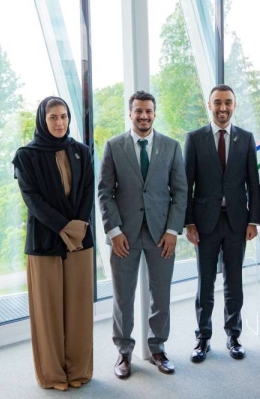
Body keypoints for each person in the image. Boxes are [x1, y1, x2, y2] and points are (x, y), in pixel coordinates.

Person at [98, 90, 187, 378]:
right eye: (138, 111)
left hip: (162, 235)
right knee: (123, 297)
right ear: (130, 113)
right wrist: (114, 231)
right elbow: (105, 192)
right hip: (125, 235)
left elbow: (181, 192)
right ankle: (124, 353)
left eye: (148, 111)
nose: (144, 116)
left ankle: (158, 349)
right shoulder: (113, 146)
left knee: (160, 294)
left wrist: (173, 230)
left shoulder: (172, 147)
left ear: (155, 113)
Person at [13, 96, 94, 391]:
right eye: (53, 118)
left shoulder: (82, 152)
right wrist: (64, 227)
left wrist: (76, 228)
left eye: (63, 116)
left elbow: (87, 193)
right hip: (44, 241)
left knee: (79, 310)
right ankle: (53, 375)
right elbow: (32, 200)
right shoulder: (26, 156)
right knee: (47, 313)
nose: (60, 123)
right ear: (42, 121)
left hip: (80, 240)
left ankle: (79, 370)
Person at [184, 84, 260, 363]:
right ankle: (202, 337)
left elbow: (254, 182)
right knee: (205, 283)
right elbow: (186, 184)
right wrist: (189, 223)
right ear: (209, 105)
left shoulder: (246, 138)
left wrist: (254, 220)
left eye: (228, 102)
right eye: (217, 102)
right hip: (204, 223)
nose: (223, 107)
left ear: (235, 105)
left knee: (234, 281)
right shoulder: (194, 139)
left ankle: (233, 336)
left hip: (237, 221)